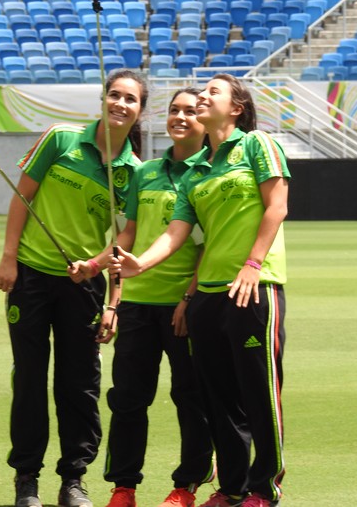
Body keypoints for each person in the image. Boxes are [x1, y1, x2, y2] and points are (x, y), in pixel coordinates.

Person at [109, 74, 290, 507]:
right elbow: (175, 234)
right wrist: (139, 263)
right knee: (219, 401)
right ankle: (230, 489)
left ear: (237, 107)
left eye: (212, 92)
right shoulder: (198, 171)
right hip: (209, 296)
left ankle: (264, 488)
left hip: (254, 286)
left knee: (259, 393)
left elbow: (277, 206)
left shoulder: (257, 145)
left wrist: (251, 264)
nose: (202, 97)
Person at [0, 70, 148, 507]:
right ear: (102, 100)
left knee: (78, 386)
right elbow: (21, 196)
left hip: (84, 287)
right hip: (30, 276)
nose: (119, 104)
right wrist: (8, 258)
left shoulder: (133, 172)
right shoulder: (60, 139)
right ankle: (27, 479)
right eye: (113, 95)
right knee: (28, 379)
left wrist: (113, 304)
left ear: (140, 110)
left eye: (130, 99)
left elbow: (123, 243)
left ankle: (73, 480)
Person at [69, 88, 215, 507]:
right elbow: (127, 237)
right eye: (173, 110)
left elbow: (210, 247)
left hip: (184, 305)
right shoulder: (145, 172)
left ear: (204, 120)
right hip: (137, 305)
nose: (181, 117)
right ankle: (123, 486)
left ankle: (186, 485)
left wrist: (189, 297)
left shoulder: (208, 172)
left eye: (190, 111)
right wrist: (113, 300)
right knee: (129, 398)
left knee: (190, 397)